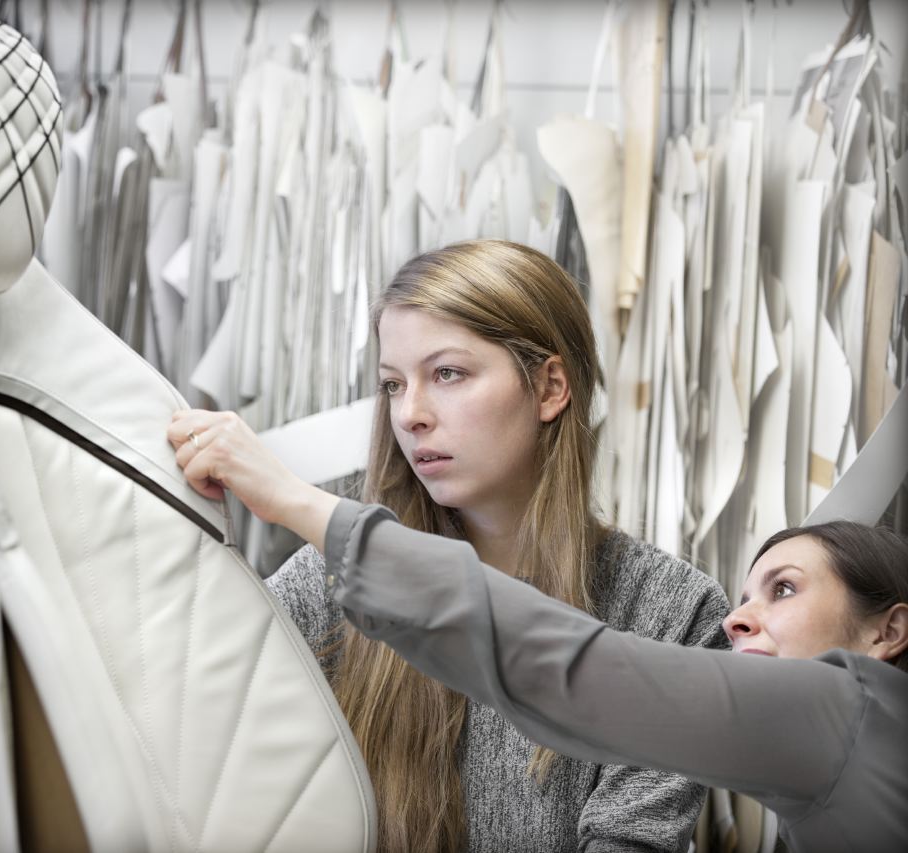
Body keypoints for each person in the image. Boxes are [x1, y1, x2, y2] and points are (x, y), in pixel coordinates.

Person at [173, 240, 732, 852]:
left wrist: (291, 498)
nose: (410, 414)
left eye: (447, 374)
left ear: (550, 388)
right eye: (392, 385)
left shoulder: (672, 613)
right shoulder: (326, 582)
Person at [163, 425, 908, 853]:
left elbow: (580, 672)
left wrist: (297, 503)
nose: (734, 619)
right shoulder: (831, 775)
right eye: (392, 383)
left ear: (890, 630)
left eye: (784, 589)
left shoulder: (838, 708)